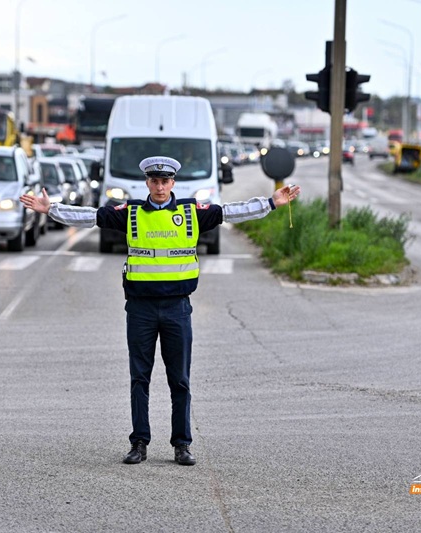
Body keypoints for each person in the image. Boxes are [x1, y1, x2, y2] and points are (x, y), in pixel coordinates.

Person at [19, 156, 300, 466]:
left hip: (178, 308)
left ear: (173, 183)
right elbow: (91, 216)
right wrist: (51, 210)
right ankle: (139, 443)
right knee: (140, 378)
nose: (160, 186)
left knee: (179, 379)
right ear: (147, 183)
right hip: (140, 308)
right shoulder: (132, 213)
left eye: (165, 181)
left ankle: (182, 445)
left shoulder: (191, 213)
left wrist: (271, 203)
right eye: (155, 181)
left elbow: (231, 212)